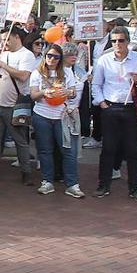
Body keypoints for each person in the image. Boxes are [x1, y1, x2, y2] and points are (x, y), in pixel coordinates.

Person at [90, 26, 137, 201]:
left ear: (128, 41)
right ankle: (103, 185)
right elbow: (96, 84)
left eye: (121, 40)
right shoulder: (104, 60)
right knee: (108, 149)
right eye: (114, 40)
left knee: (132, 150)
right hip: (110, 107)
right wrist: (102, 103)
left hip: (132, 109)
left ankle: (135, 188)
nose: (117, 44)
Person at [29, 44, 83, 198]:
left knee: (68, 150)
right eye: (49, 56)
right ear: (45, 57)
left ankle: (72, 184)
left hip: (62, 116)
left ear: (61, 59)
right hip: (42, 115)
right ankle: (47, 181)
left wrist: (67, 92)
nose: (52, 59)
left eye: (56, 57)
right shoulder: (37, 73)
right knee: (45, 150)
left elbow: (73, 93)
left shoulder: (67, 72)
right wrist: (44, 92)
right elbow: (33, 96)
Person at [0, 26, 37, 185]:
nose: (4, 43)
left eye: (6, 39)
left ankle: (26, 172)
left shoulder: (27, 55)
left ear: (16, 37)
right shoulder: (4, 54)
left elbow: (23, 76)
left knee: (20, 140)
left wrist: (3, 65)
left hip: (16, 105)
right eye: (2, 40)